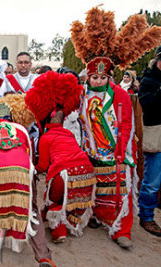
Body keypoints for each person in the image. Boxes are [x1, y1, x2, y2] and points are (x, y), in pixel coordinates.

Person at [70, 6, 161, 248]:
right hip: (90, 151)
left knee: (120, 189)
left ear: (110, 77)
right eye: (94, 77)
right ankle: (97, 216)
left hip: (116, 150)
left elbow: (127, 124)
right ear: (88, 77)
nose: (98, 81)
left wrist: (121, 150)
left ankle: (121, 229)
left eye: (103, 77)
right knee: (96, 187)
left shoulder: (119, 94)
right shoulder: (82, 94)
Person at [0, 94, 55, 267]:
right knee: (30, 209)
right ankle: (43, 256)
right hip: (22, 170)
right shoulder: (22, 129)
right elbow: (30, 157)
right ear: (12, 116)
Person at [24, 70, 96, 243]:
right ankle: (70, 222)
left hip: (63, 174)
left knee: (55, 197)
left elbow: (42, 165)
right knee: (72, 198)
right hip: (87, 172)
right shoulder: (68, 134)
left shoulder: (46, 138)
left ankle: (59, 231)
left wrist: (31, 171)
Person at [137, 45, 161, 237]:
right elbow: (147, 105)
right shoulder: (149, 81)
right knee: (152, 180)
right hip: (157, 134)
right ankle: (146, 216)